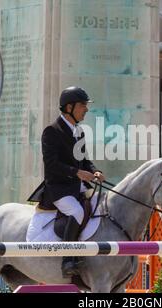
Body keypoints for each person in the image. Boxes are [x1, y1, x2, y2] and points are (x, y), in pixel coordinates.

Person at [38, 86, 105, 278]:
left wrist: (95, 171)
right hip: (58, 188)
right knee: (77, 211)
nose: (86, 109)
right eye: (83, 105)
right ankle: (67, 260)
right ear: (69, 107)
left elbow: (85, 160)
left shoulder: (79, 132)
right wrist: (76, 173)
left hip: (76, 186)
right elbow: (51, 165)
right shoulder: (51, 131)